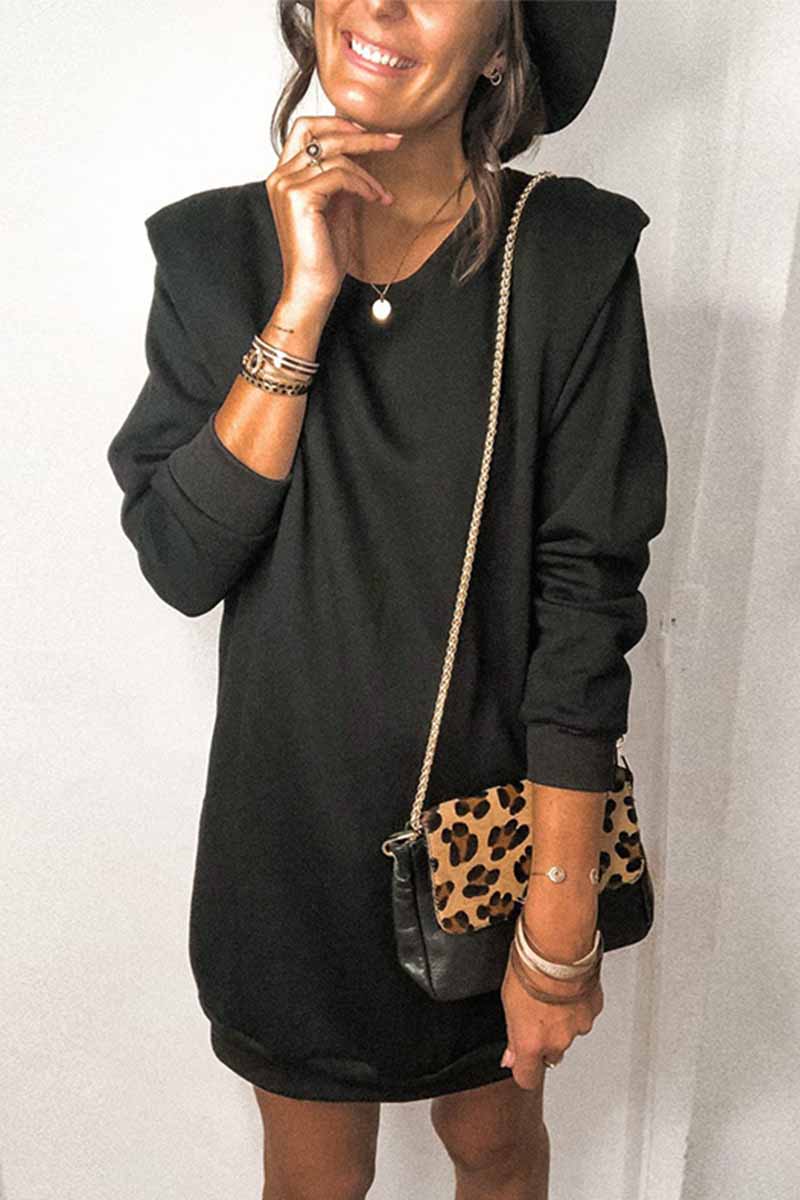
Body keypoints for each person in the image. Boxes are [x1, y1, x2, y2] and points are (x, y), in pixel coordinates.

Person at [106, 1, 668, 1196]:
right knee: (312, 1179)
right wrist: (299, 302)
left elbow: (584, 600)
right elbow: (180, 560)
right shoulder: (215, 254)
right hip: (287, 854)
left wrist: (557, 914)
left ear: (502, 43)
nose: (380, 4)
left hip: (490, 846)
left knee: (493, 1147)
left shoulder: (564, 258)